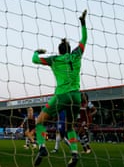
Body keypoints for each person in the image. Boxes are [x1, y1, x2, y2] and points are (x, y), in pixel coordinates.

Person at [31, 9, 87, 167]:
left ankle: (42, 147)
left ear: (59, 51)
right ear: (69, 50)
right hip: (76, 97)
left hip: (61, 96)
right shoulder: (76, 55)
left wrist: (37, 51)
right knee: (70, 127)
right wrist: (83, 22)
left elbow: (34, 60)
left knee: (40, 120)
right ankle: (75, 153)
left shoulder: (54, 59)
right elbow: (84, 39)